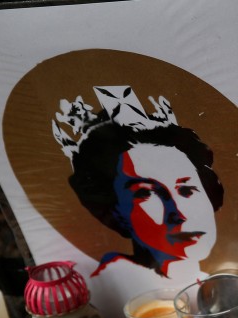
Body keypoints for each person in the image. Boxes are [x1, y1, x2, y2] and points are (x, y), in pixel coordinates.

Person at [56, 88, 225, 278]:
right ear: (115, 212)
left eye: (187, 189)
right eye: (146, 194)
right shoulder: (115, 286)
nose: (179, 214)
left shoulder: (216, 283)